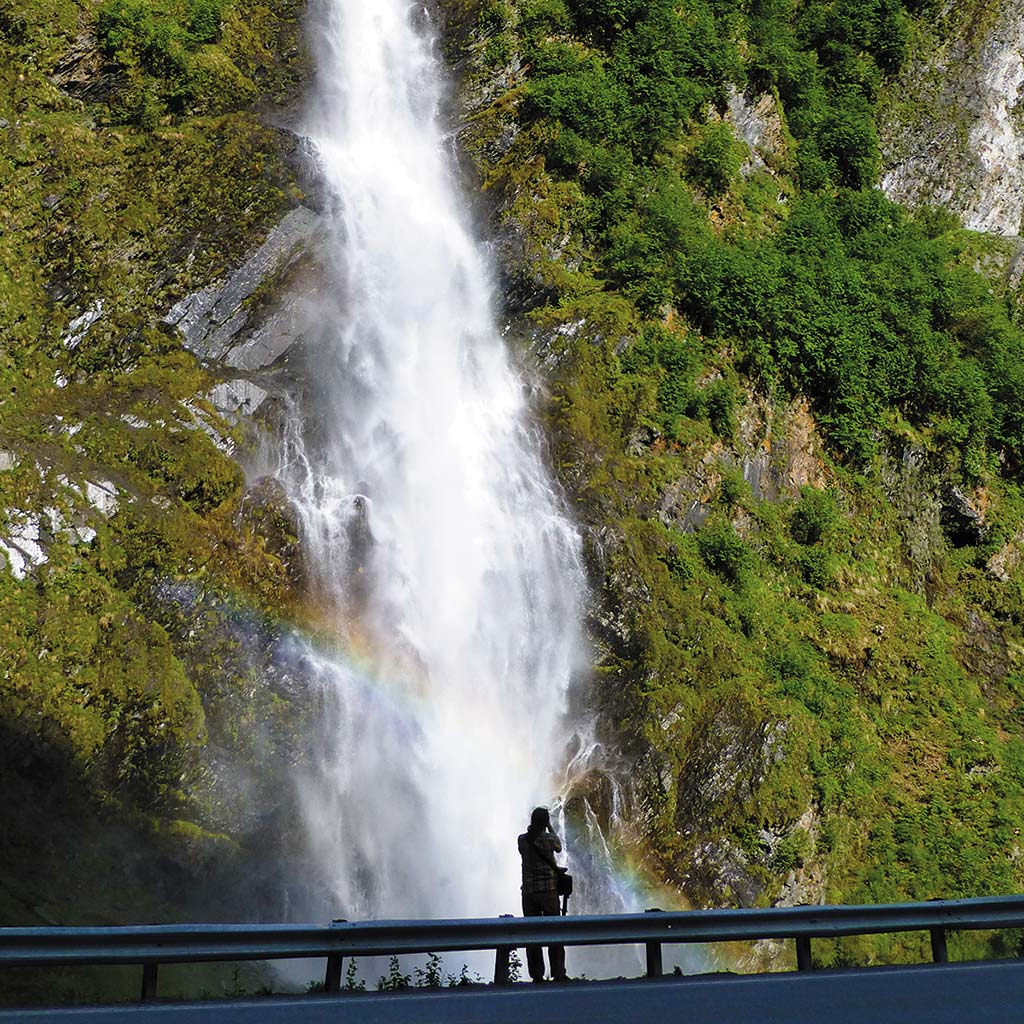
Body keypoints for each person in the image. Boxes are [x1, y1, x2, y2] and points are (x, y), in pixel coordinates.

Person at [518, 806, 567, 982]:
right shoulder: (548, 839)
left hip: (529, 894)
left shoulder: (522, 840)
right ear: (545, 822)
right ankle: (558, 972)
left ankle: (537, 975)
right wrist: (550, 826)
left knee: (532, 934)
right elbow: (559, 847)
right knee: (554, 931)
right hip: (548, 893)